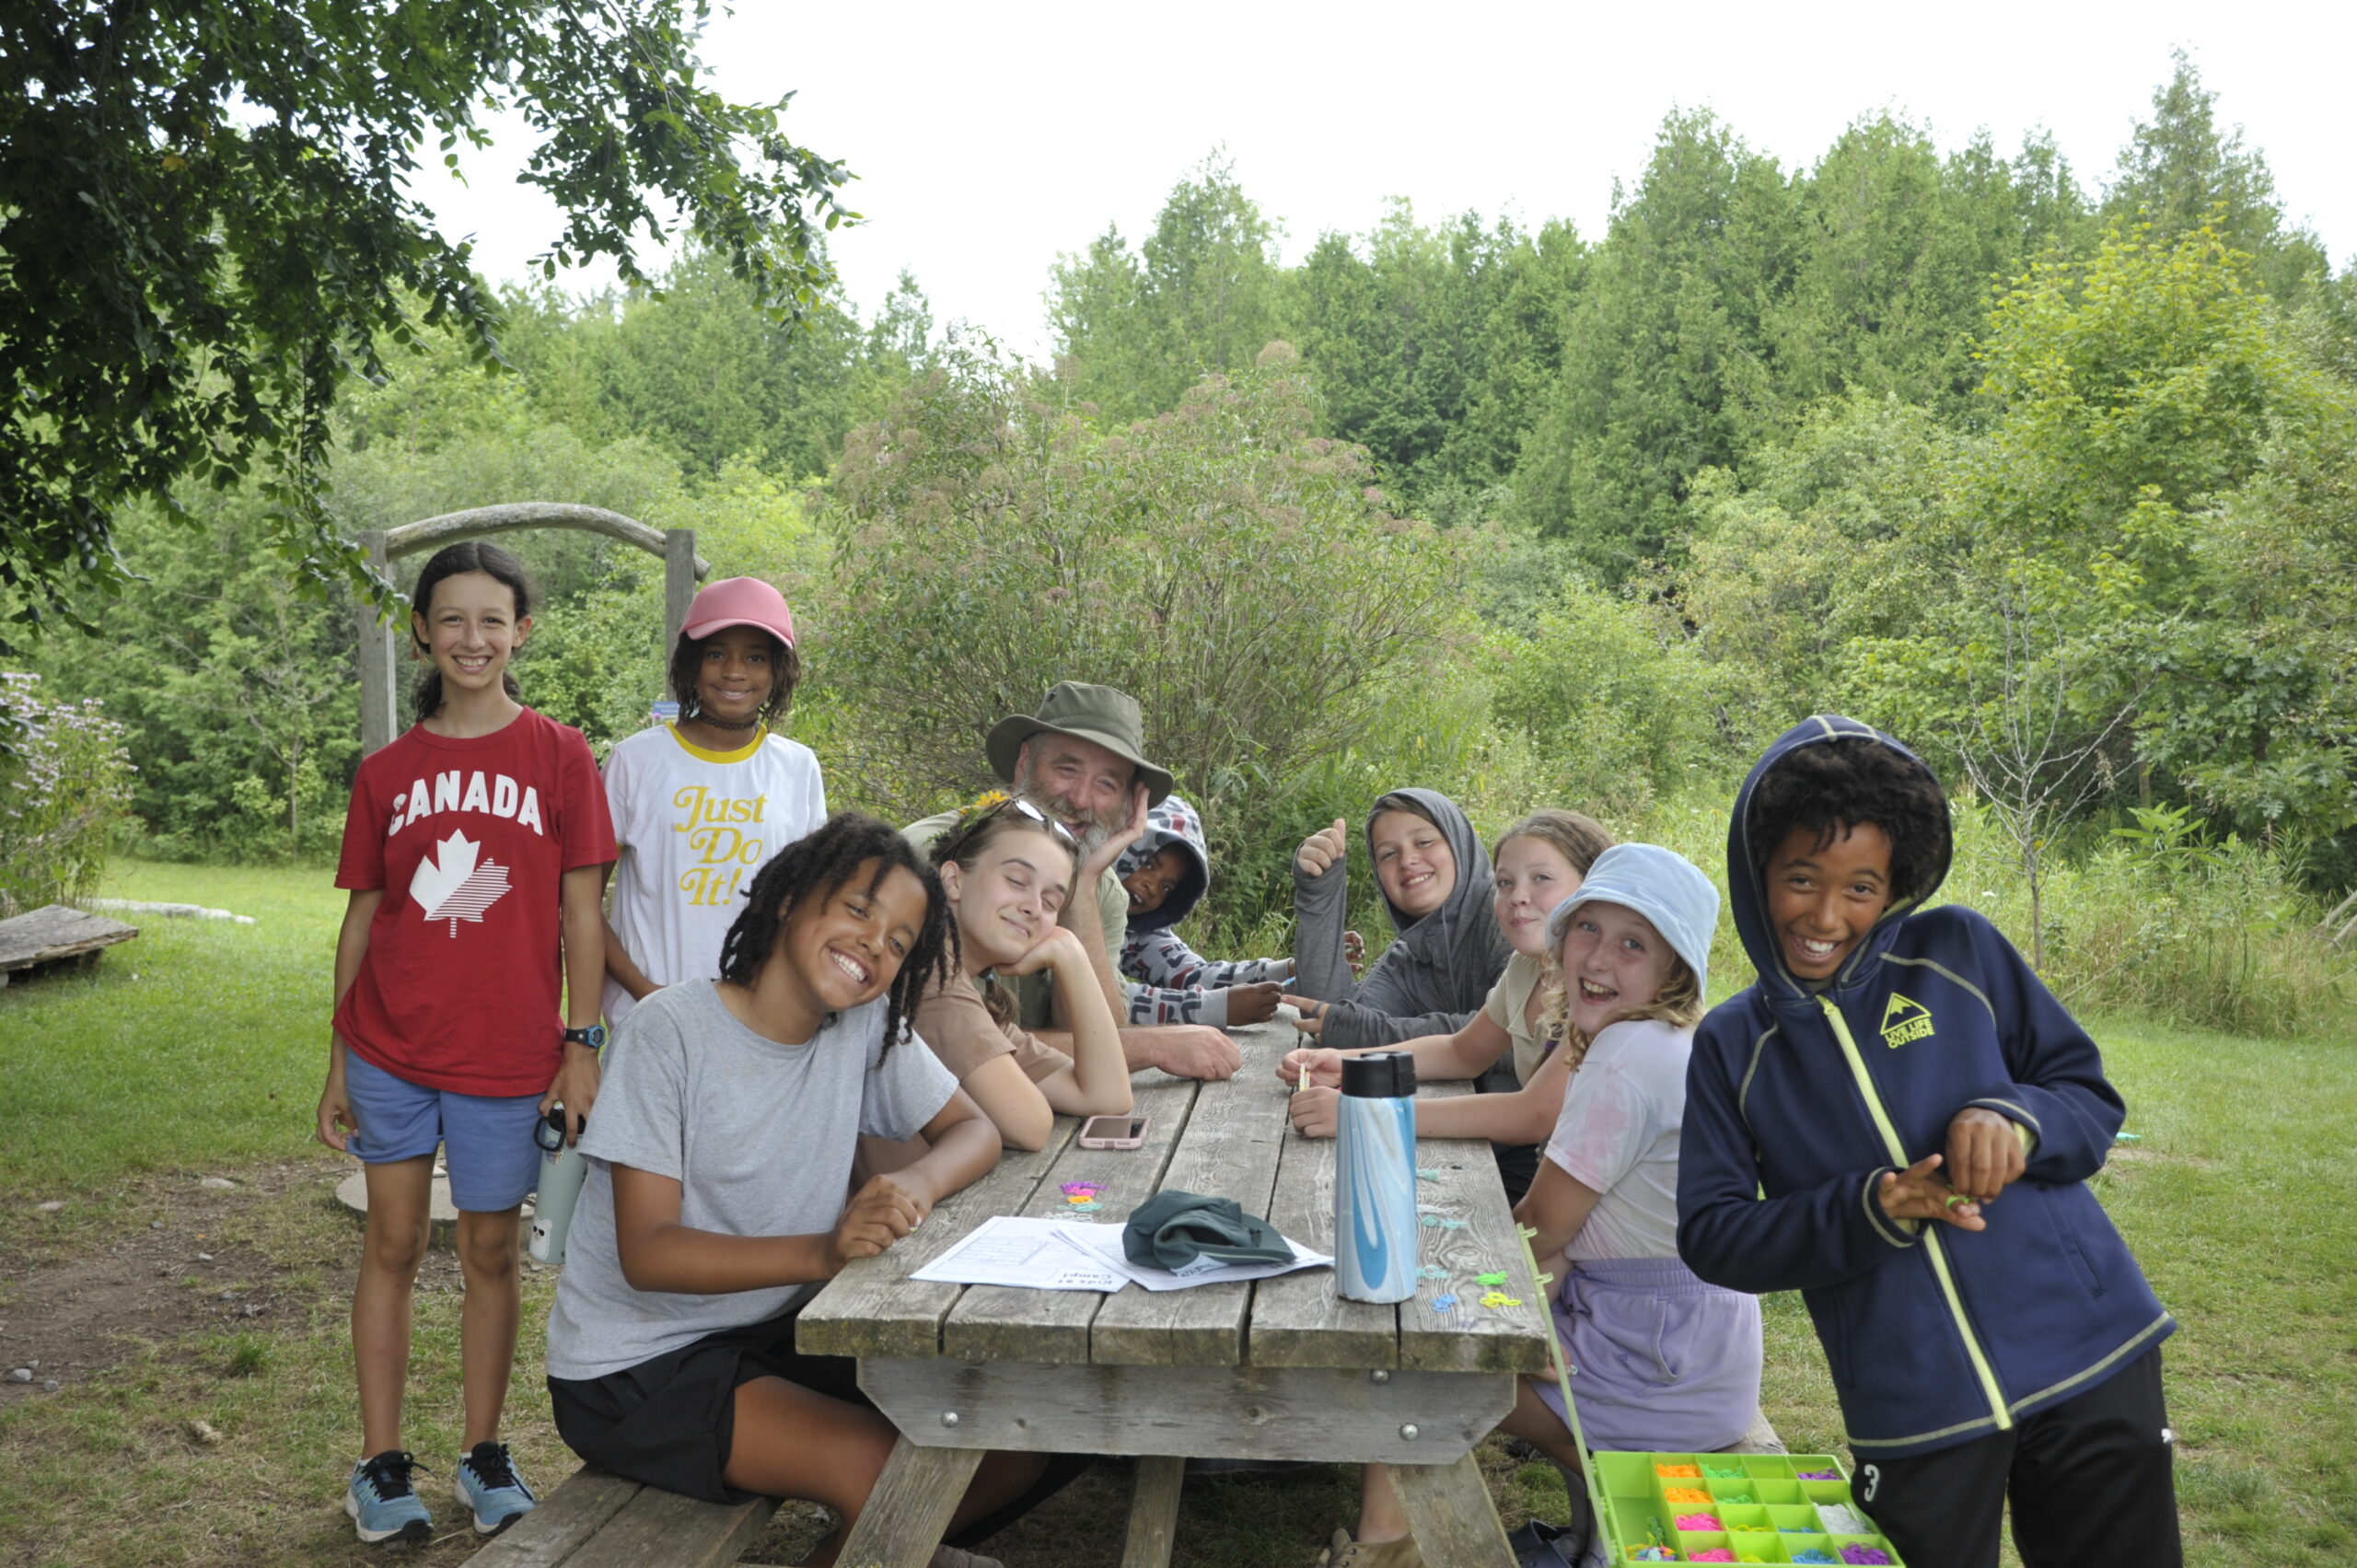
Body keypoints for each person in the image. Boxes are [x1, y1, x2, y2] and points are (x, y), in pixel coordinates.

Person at [1678, 719, 2180, 1568]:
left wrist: (2012, 1115)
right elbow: (1714, 1233)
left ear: (1897, 881)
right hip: (1914, 1403)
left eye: (1861, 886)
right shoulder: (1732, 1045)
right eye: (1801, 879)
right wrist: (1870, 1206)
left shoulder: (1961, 951)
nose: (1826, 915)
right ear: (1758, 870)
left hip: (2090, 1353)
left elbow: (2086, 1096)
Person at [543, 815, 1034, 1568]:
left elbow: (977, 1130)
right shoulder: (668, 1030)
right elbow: (648, 1252)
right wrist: (826, 1248)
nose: (875, 944)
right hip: (638, 1364)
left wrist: (910, 1179)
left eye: (900, 941)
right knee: (889, 1472)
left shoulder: (861, 1026)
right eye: (859, 910)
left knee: (1007, 1427)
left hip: (775, 1327)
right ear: (789, 899)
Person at [1319, 843, 1759, 1568]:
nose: (1598, 958)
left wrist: (1458, 1292)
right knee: (1443, 1313)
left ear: (1674, 969)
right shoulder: (1672, 1040)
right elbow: (1555, 1236)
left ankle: (1383, 1550)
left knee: (1411, 1362)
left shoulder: (1626, 1059)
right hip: (1697, 1346)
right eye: (1587, 929)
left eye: (1632, 943)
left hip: (1655, 1364)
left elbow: (1542, 1227)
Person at [317, 540, 615, 1543]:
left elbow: (583, 911)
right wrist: (335, 1060)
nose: (472, 638)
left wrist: (581, 1038)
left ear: (521, 631)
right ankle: (379, 1462)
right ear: (421, 632)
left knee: (492, 1250)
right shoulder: (387, 771)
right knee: (392, 1242)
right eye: (451, 619)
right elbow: (363, 918)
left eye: (492, 619)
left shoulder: (561, 756)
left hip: (507, 1052)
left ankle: (484, 1453)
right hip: (390, 1045)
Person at [902, 682, 1240, 1082]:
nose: (1080, 800)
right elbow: (953, 1043)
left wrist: (1082, 887)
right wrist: (1152, 1045)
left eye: (1106, 784)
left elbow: (1100, 1031)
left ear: (1130, 803)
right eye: (1067, 769)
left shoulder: (1104, 889)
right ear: (1023, 763)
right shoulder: (931, 857)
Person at [1279, 809, 1614, 1201]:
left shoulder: (1600, 989)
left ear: (1593, 886)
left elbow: (1533, 1114)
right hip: (1561, 1182)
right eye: (1505, 882)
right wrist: (1351, 1063)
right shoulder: (1526, 968)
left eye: (1541, 878)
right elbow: (1460, 1051)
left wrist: (1366, 1116)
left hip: (1619, 1214)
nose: (1518, 895)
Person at [601, 576, 826, 1028]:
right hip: (650, 1025)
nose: (735, 672)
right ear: (690, 663)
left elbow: (809, 909)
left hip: (761, 1024)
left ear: (779, 670)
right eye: (716, 653)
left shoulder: (798, 768)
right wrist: (649, 997)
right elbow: (580, 906)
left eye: (756, 657)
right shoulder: (634, 762)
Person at [915, 796, 1135, 1149]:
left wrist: (1071, 954)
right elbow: (1030, 1127)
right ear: (954, 880)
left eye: (1051, 902)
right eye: (1017, 880)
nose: (1033, 907)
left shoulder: (966, 989)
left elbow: (1107, 1096)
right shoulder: (929, 980)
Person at [1111, 794, 1295, 1028]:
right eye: (1148, 864)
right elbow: (1097, 1000)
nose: (1152, 887)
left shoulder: (1139, 930)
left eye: (1167, 887)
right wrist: (1207, 1009)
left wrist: (1291, 971)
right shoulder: (1068, 902)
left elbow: (1194, 975)